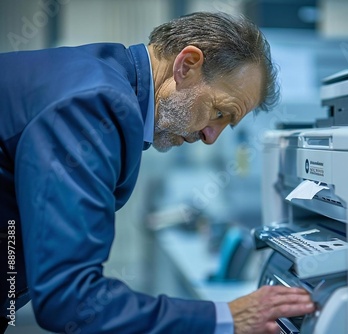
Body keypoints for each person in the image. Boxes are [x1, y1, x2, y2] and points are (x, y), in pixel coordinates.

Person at [0, 11, 315, 334]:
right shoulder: (94, 105)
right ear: (187, 65)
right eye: (219, 112)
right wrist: (226, 318)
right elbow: (71, 298)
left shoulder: (103, 78)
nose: (210, 137)